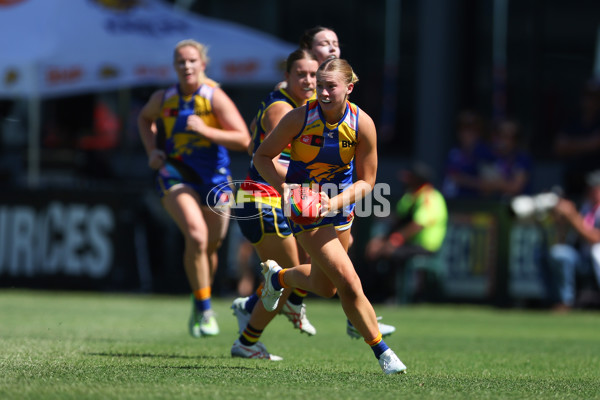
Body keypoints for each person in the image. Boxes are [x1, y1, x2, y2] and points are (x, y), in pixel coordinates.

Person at [253, 58, 407, 374]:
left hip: (339, 207)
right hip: (304, 212)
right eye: (319, 85)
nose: (321, 92)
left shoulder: (362, 124)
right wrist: (292, 192)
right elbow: (262, 157)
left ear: (349, 88)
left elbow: (367, 182)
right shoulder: (299, 118)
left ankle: (277, 277)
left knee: (326, 288)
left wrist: (333, 203)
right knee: (350, 281)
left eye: (330, 86)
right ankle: (383, 353)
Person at [137, 39, 251, 338]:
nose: (186, 66)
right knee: (197, 236)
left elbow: (244, 140)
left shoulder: (214, 97)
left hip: (216, 178)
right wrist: (152, 150)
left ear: (202, 64)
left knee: (210, 247)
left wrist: (206, 130)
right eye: (180, 62)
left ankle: (200, 298)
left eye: (191, 61)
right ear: (174, 66)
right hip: (176, 173)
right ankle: (205, 309)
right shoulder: (164, 98)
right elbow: (144, 119)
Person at [230, 48, 320, 360]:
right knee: (286, 278)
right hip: (261, 199)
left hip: (266, 198)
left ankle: (252, 315)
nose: (308, 80)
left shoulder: (293, 105)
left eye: (313, 74)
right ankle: (247, 338)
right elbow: (274, 161)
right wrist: (315, 186)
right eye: (301, 74)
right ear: (287, 76)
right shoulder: (283, 110)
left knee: (289, 277)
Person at [365, 161, 448, 303]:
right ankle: (371, 293)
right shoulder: (409, 197)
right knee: (375, 248)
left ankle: (394, 296)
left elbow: (418, 225)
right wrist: (382, 240)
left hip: (425, 246)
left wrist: (395, 240)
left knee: (390, 252)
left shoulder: (430, 197)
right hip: (407, 244)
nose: (405, 180)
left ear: (418, 180)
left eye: (409, 177)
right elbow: (399, 220)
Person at [546, 170, 600, 312]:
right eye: (590, 187)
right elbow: (563, 241)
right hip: (583, 258)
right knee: (557, 253)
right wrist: (561, 222)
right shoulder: (586, 208)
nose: (591, 191)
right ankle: (563, 301)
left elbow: (596, 239)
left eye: (595, 187)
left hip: (596, 260)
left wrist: (573, 217)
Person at [553, 79, 600, 200]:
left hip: (596, 183)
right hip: (572, 181)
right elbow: (560, 147)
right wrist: (589, 143)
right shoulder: (573, 120)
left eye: (595, 97)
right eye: (587, 96)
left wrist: (572, 145)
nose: (590, 101)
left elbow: (596, 143)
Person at [441, 110, 495, 199]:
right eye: (462, 127)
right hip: (453, 204)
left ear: (479, 130)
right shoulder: (454, 152)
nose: (466, 133)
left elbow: (489, 186)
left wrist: (462, 179)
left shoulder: (485, 153)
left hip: (476, 206)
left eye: (471, 127)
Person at [478, 118, 533, 199]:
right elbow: (484, 189)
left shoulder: (523, 158)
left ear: (517, 139)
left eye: (510, 136)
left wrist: (495, 184)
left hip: (519, 206)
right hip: (493, 204)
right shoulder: (490, 156)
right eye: (501, 134)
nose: (504, 140)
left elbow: (515, 188)